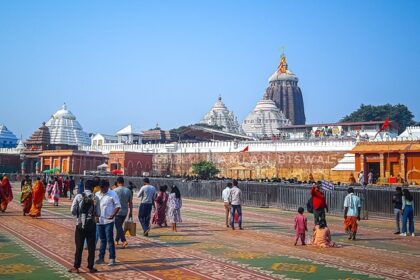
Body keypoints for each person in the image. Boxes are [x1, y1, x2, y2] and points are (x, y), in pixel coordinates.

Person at [68, 180, 98, 274]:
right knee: (91, 247)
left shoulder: (79, 196)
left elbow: (72, 210)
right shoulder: (95, 197)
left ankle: (76, 267)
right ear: (93, 188)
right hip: (91, 225)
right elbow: (98, 213)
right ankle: (90, 267)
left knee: (79, 247)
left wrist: (79, 215)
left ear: (85, 187)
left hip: (80, 225)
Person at [95, 179, 121, 266]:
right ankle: (101, 258)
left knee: (109, 239)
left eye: (103, 187)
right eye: (100, 187)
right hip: (99, 220)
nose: (102, 189)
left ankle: (112, 258)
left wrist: (113, 215)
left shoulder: (112, 194)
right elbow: (95, 206)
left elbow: (118, 206)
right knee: (102, 240)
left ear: (107, 186)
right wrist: (95, 216)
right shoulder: (97, 194)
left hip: (108, 221)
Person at [114, 177, 133, 248]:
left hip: (117, 211)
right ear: (123, 182)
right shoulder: (128, 190)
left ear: (117, 182)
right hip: (125, 211)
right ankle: (116, 240)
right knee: (120, 226)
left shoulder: (115, 190)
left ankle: (124, 240)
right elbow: (130, 202)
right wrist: (130, 211)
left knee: (118, 226)